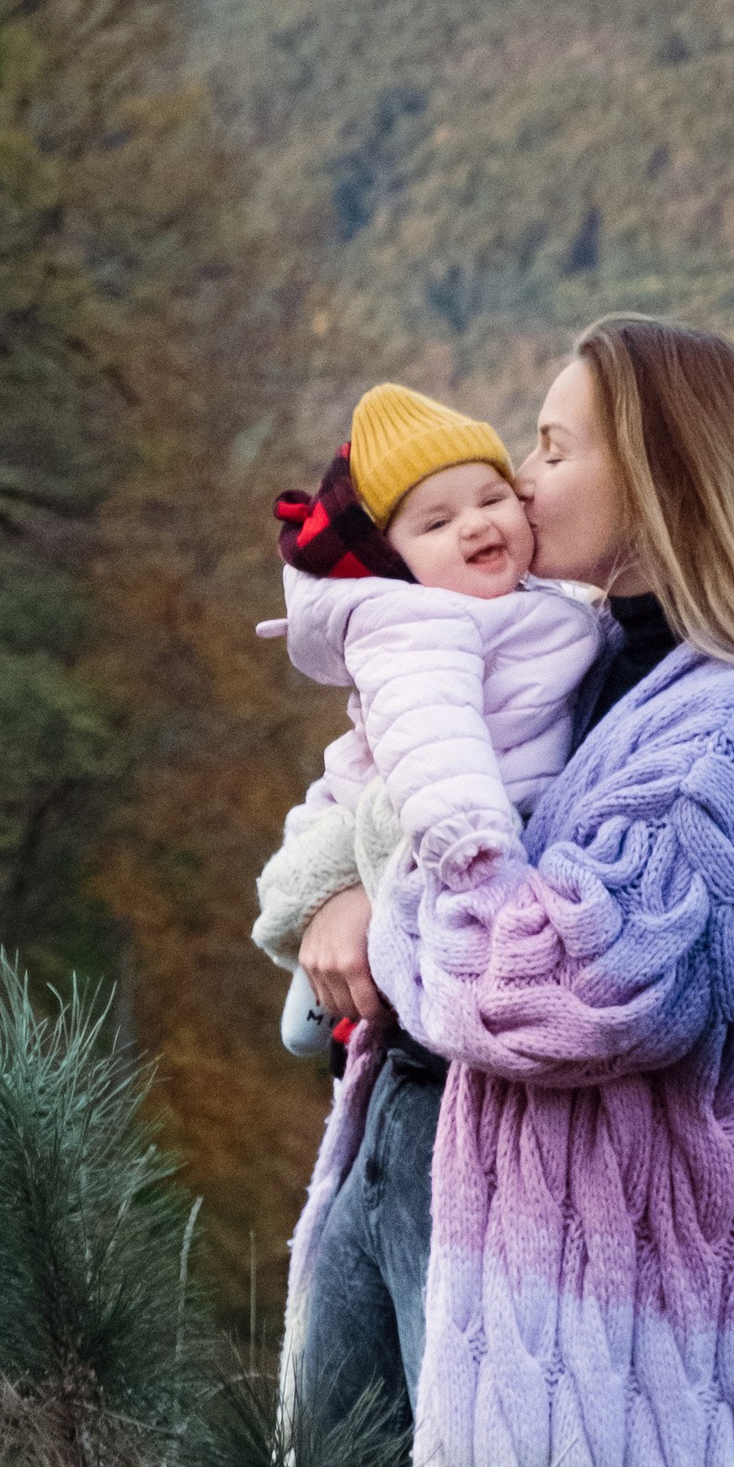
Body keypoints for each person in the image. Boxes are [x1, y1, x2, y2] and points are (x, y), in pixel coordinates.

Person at [277, 315, 734, 1467]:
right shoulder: (567, 666)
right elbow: (387, 792)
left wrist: (383, 900)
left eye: (553, 448)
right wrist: (331, 886)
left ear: (659, 477)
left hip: (557, 1306)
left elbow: (573, 986)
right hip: (411, 1172)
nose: (519, 483)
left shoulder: (731, 730)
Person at [251, 381, 602, 1063]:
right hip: (444, 826)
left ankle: (338, 1023)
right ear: (396, 560)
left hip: (460, 813)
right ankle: (335, 1021)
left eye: (492, 499)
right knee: (366, 975)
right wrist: (473, 849)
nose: (474, 525)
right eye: (436, 524)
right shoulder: (420, 626)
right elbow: (432, 742)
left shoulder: (518, 600)